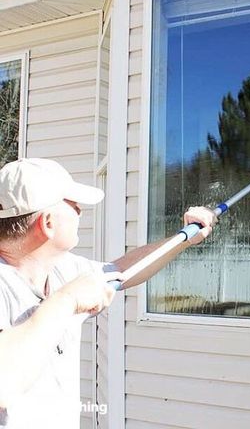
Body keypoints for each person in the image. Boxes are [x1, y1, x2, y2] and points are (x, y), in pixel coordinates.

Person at [0, 157, 216, 429]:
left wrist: (184, 237)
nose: (80, 211)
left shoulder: (62, 270)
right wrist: (66, 301)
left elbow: (123, 269)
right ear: (48, 223)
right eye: (73, 204)